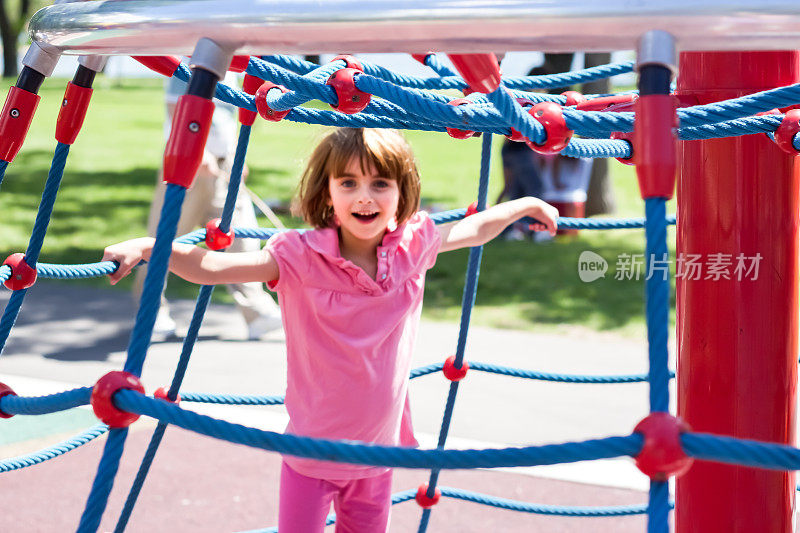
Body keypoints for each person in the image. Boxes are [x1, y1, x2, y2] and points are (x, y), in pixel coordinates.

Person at [103, 128, 558, 532]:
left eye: (381, 183)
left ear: (403, 192)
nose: (365, 196)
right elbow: (216, 267)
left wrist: (524, 204)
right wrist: (149, 247)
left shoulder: (412, 247)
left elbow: (473, 230)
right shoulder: (299, 257)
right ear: (327, 193)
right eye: (349, 183)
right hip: (309, 454)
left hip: (378, 456)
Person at [132, 70, 282, 340]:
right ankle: (151, 311)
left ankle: (256, 312)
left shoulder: (233, 65)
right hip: (186, 158)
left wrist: (235, 153)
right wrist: (198, 151)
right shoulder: (194, 59)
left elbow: (229, 115)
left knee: (241, 235)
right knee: (166, 238)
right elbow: (175, 107)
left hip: (223, 163)